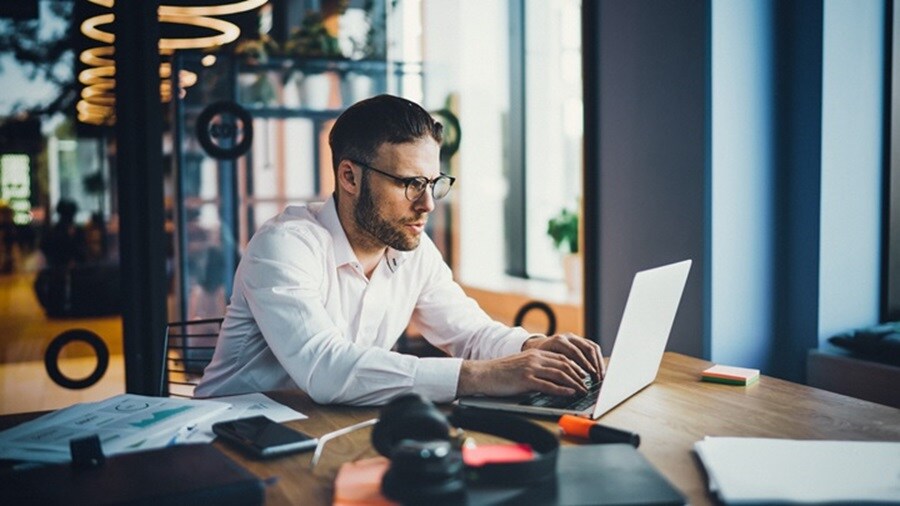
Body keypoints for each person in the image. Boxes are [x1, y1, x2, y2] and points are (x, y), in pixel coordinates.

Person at [195, 94, 604, 405]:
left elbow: (470, 332)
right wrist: (484, 376)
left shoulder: (412, 250)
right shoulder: (284, 246)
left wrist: (532, 348)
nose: (427, 204)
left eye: (433, 183)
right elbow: (326, 370)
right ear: (350, 177)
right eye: (410, 183)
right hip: (224, 445)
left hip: (321, 433)